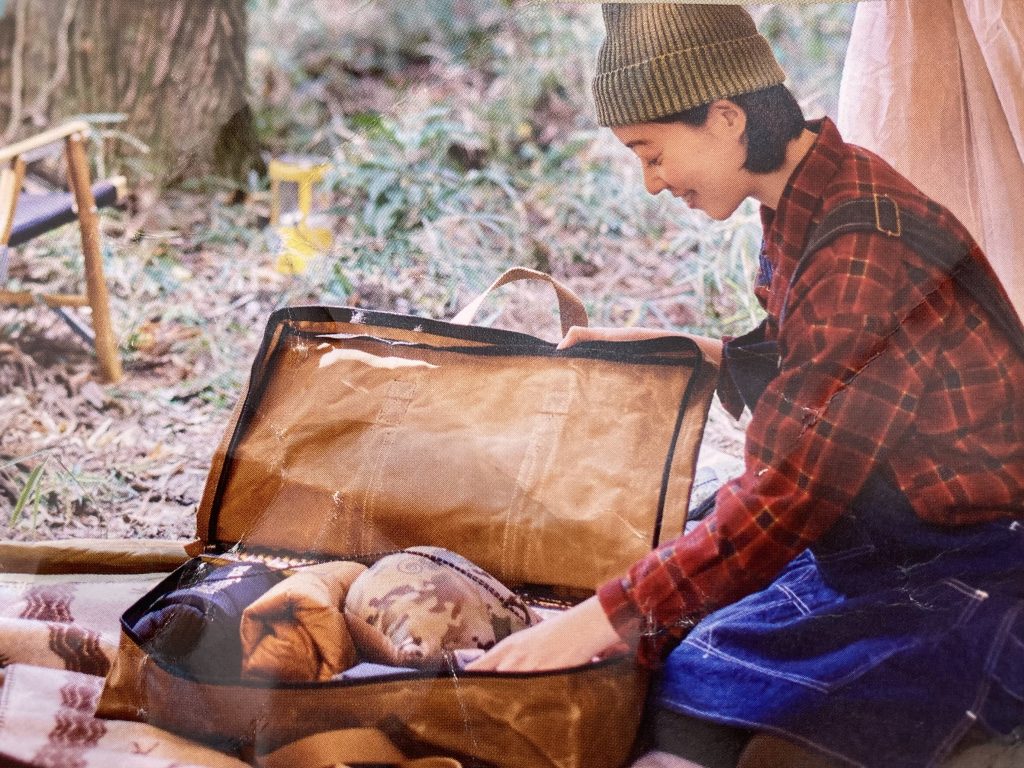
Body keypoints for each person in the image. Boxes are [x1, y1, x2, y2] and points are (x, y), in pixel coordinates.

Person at [468, 5, 1024, 768]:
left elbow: (792, 490)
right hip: (872, 542)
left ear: (726, 118)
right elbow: (814, 364)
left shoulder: (867, 240)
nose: (653, 182)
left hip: (971, 560)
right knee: (680, 695)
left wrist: (602, 618)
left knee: (781, 748)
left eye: (652, 153)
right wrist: (687, 354)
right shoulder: (809, 196)